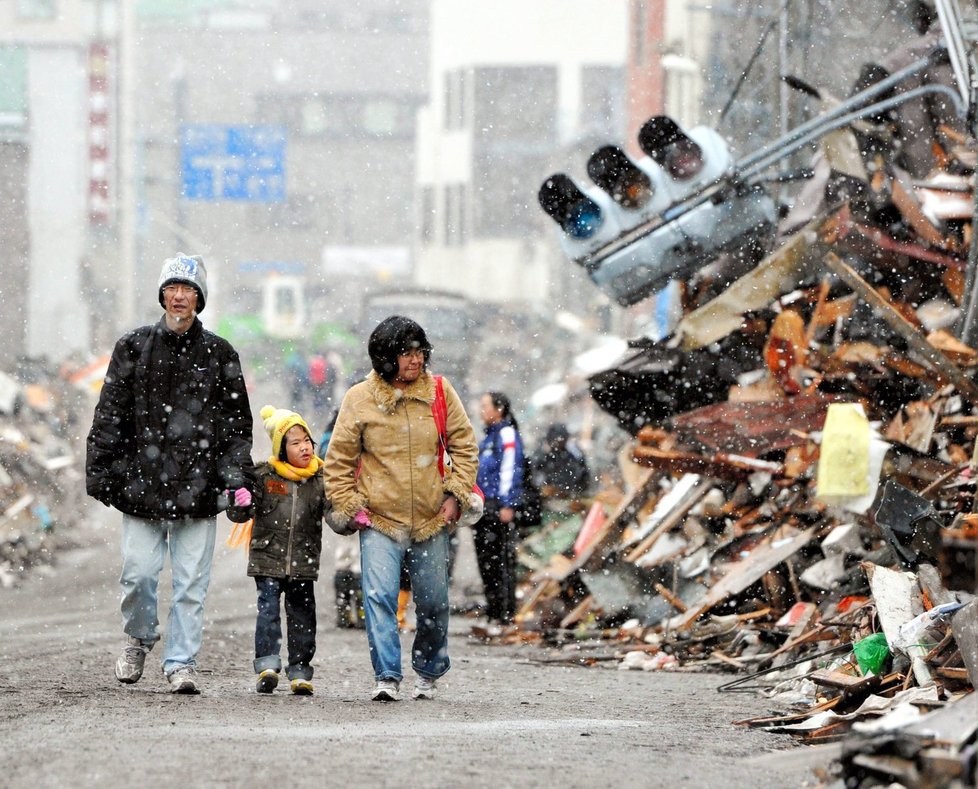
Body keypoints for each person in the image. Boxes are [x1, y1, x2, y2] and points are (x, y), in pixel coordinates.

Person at [86, 253, 254, 694]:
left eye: (189, 289)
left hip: (199, 491)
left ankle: (181, 662)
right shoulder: (133, 347)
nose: (180, 296)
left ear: (200, 298)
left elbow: (237, 426)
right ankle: (139, 637)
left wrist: (236, 476)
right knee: (138, 574)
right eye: (173, 288)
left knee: (191, 585)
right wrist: (102, 467)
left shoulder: (220, 354)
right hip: (142, 486)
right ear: (162, 294)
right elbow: (110, 413)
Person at [324, 315, 478, 702]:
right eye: (405, 352)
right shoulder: (359, 398)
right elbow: (339, 459)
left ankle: (427, 670)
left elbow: (464, 446)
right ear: (385, 358)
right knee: (378, 598)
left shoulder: (441, 392)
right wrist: (350, 505)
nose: (415, 359)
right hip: (379, 519)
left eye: (419, 351)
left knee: (433, 601)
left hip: (432, 518)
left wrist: (454, 496)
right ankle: (387, 676)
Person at [226, 406, 326, 696]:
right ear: (281, 448)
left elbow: (333, 514)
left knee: (303, 614)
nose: (304, 447)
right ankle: (268, 665)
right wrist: (239, 501)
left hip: (303, 561)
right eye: (295, 443)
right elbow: (240, 516)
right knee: (267, 611)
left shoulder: (320, 478)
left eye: (306, 440)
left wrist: (350, 516)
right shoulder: (263, 476)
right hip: (267, 556)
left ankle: (300, 671)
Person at [474, 391, 525, 626]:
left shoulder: (505, 434)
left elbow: (510, 470)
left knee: (501, 561)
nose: (481, 410)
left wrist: (508, 503)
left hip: (498, 507)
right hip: (484, 507)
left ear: (499, 409)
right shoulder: (487, 438)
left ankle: (504, 613)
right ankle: (493, 610)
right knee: (486, 560)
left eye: (485, 406)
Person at [532, 423, 591, 505]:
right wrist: (543, 488)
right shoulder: (543, 453)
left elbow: (583, 475)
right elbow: (535, 474)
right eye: (557, 441)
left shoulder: (574, 453)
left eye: (562, 441)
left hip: (570, 499)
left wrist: (575, 493)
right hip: (548, 502)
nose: (559, 444)